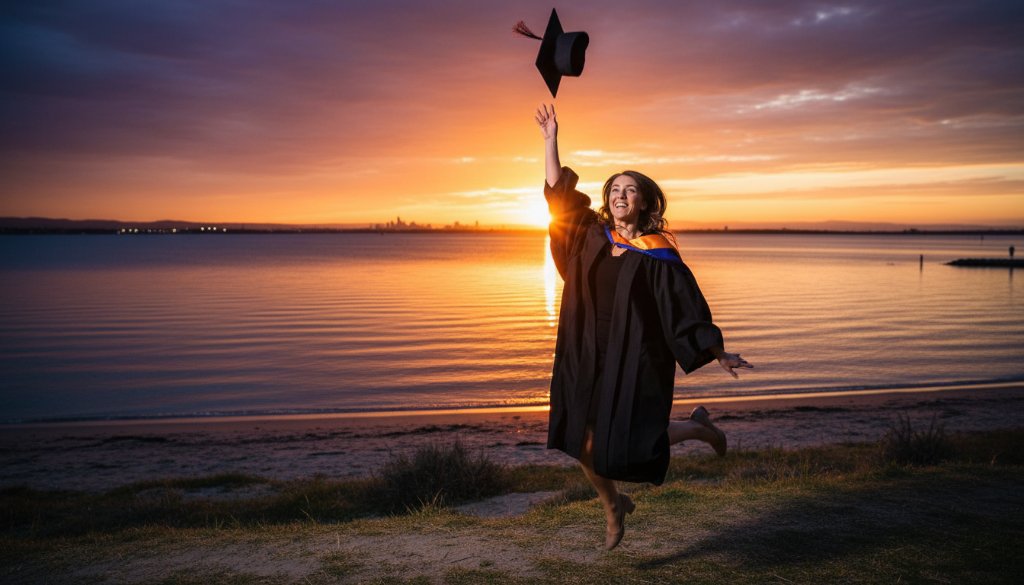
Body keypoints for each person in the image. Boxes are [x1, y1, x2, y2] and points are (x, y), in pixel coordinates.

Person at [535, 104, 752, 550]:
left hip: (632, 356)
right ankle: (614, 505)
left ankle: (697, 429)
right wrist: (549, 139)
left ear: (644, 203)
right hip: (586, 351)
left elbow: (684, 307)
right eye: (614, 188)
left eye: (630, 190)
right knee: (582, 438)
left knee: (632, 439)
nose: (620, 195)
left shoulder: (658, 254)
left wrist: (717, 352)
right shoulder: (592, 235)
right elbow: (559, 198)